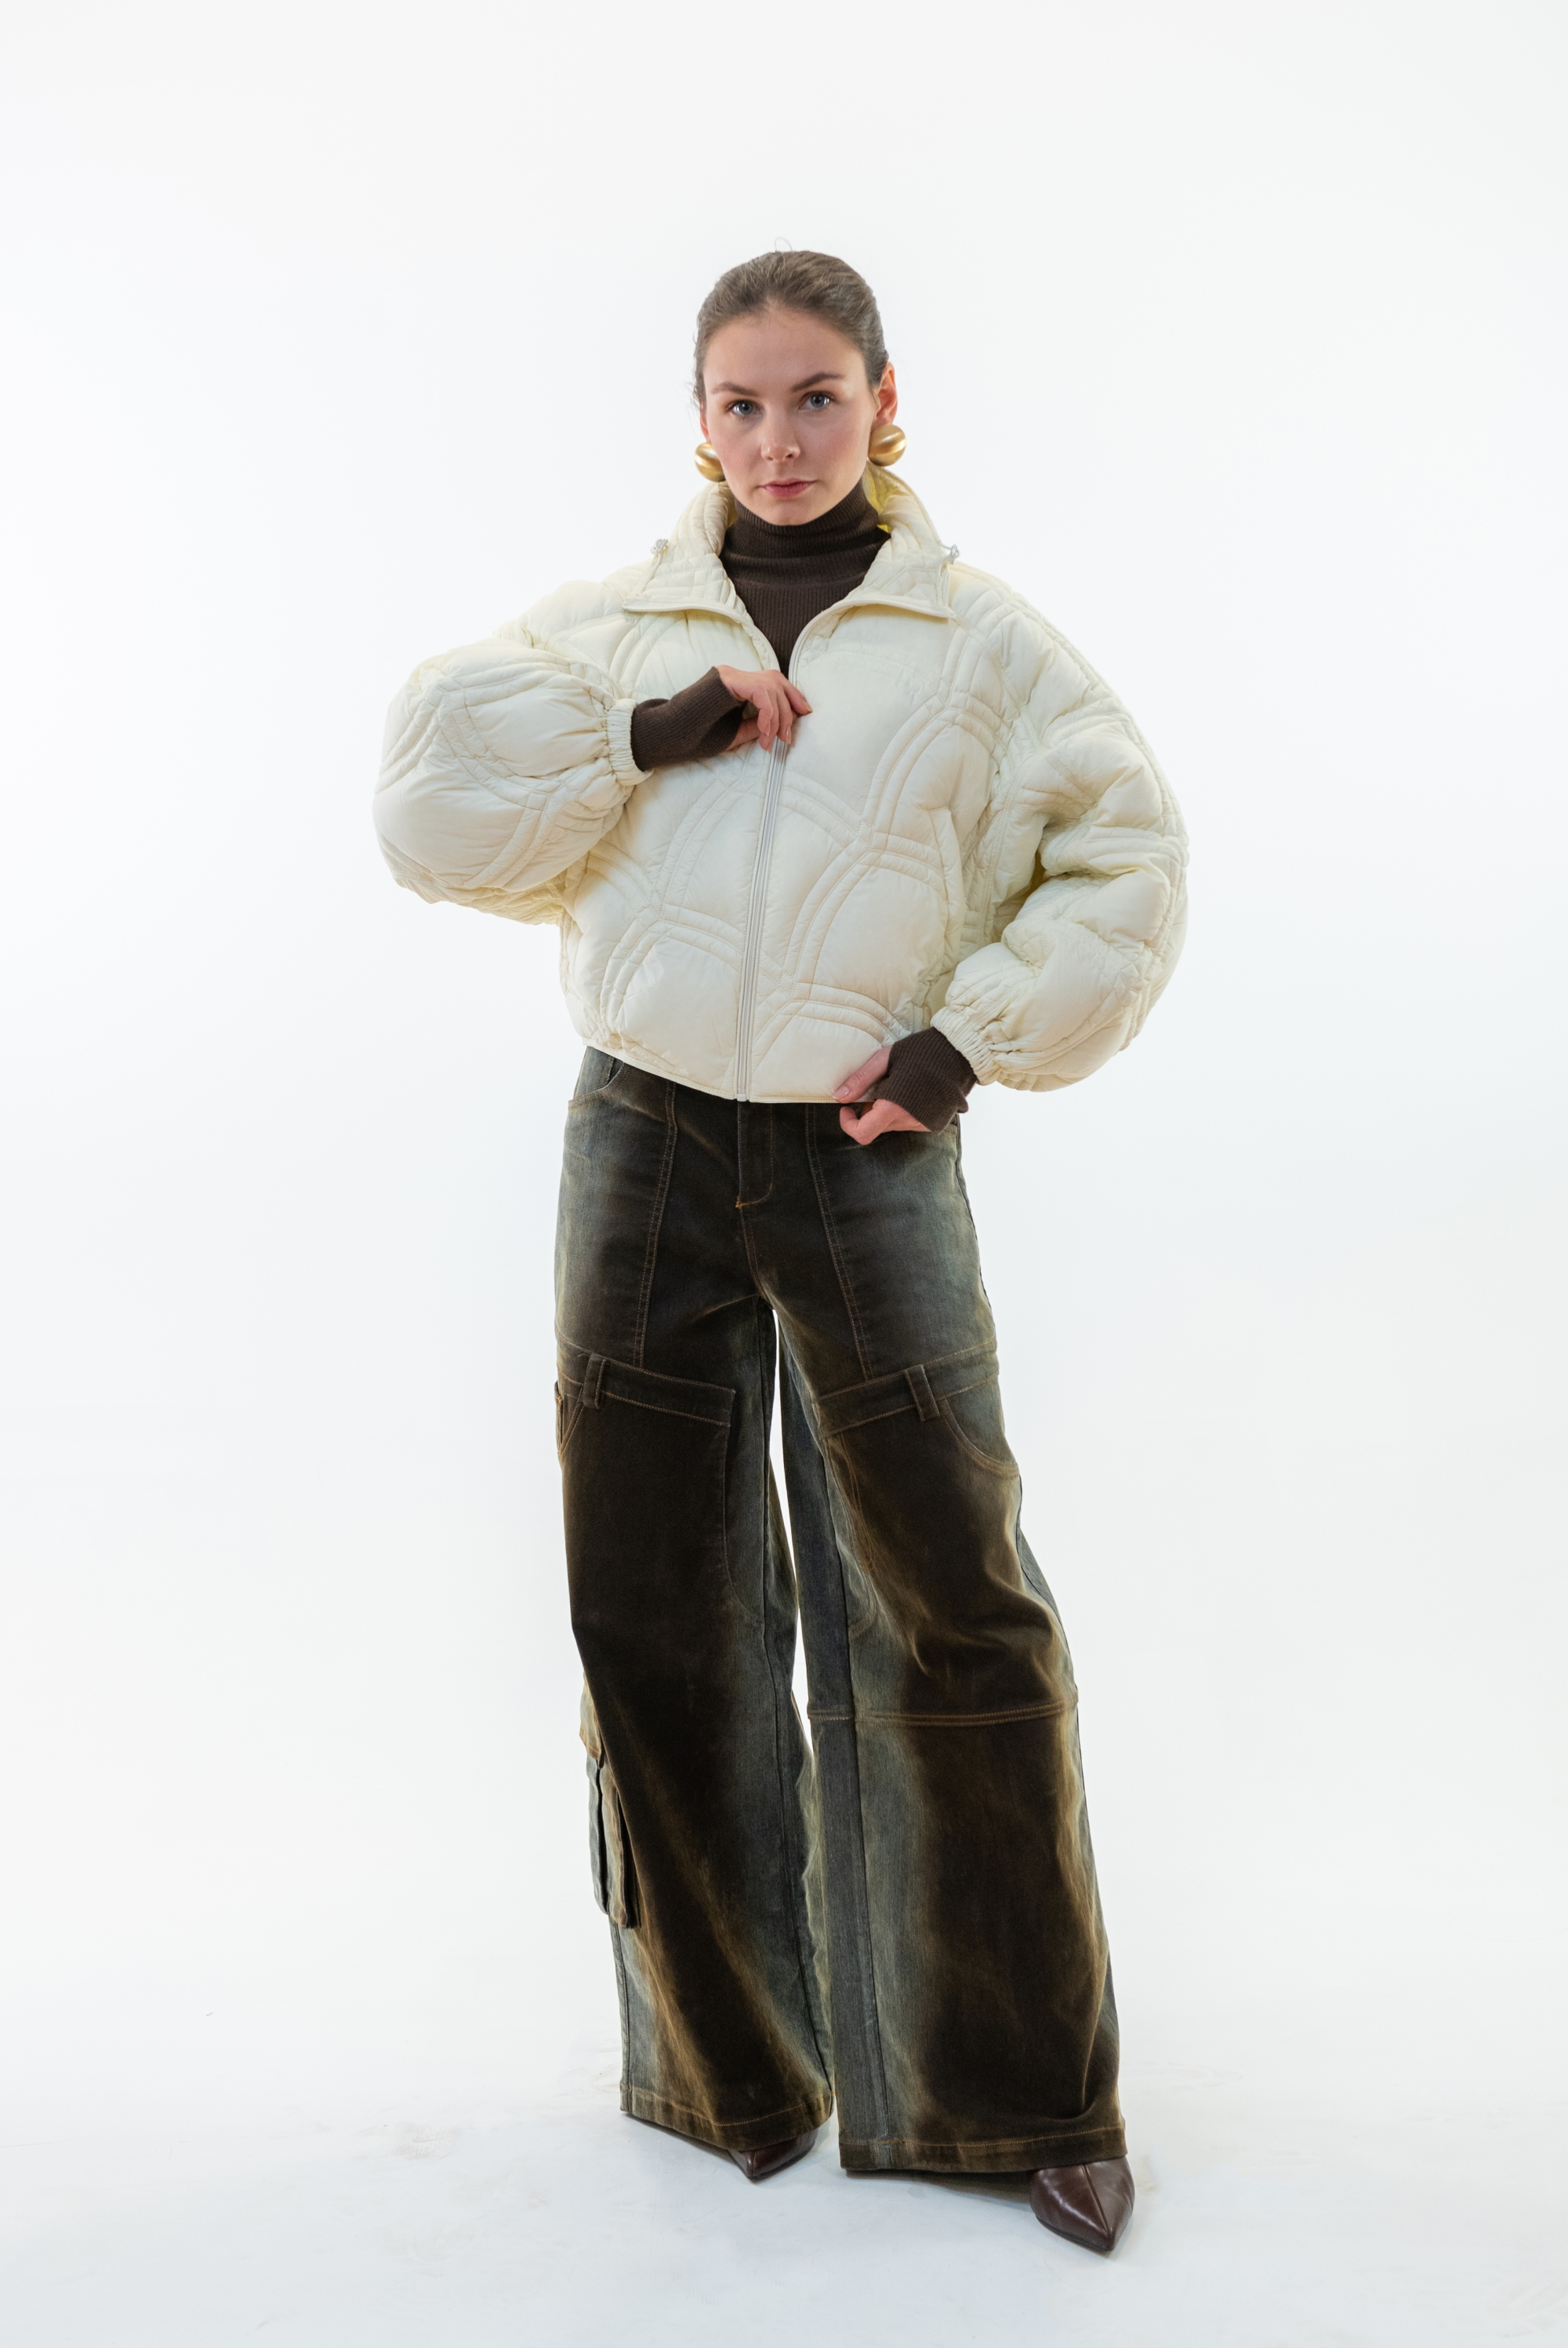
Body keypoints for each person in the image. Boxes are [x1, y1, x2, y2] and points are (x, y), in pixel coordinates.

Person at [374, 250, 1186, 2255]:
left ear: (883, 402)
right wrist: (643, 736)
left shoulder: (981, 643)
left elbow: (1126, 854)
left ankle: (1016, 2093)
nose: (778, 438)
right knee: (652, 1598)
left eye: (815, 396)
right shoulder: (613, 629)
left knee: (949, 1603)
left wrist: (961, 1044)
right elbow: (426, 805)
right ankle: (727, 2065)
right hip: (641, 1141)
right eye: (740, 404)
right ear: (698, 421)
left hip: (859, 1151)